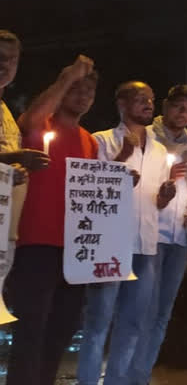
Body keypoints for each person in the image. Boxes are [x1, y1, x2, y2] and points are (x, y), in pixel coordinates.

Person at [78, 81, 179, 385]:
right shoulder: (103, 141)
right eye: (140, 99)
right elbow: (89, 188)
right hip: (110, 243)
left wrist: (166, 196)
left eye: (151, 98)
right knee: (98, 321)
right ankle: (87, 380)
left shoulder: (161, 150)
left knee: (134, 322)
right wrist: (121, 158)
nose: (149, 104)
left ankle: (117, 380)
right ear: (121, 104)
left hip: (146, 246)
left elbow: (157, 203)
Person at [6, 55, 98, 385]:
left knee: (62, 328)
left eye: (89, 91)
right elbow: (30, 119)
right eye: (76, 89)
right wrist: (68, 75)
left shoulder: (89, 141)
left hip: (75, 251)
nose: (83, 95)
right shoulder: (41, 126)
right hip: (36, 243)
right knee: (31, 328)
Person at [128, 84, 187, 384]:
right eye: (177, 107)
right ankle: (129, 373)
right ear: (165, 106)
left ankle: (142, 373)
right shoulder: (147, 138)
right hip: (150, 236)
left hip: (178, 237)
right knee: (142, 308)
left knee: (162, 312)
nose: (182, 114)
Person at [0, 30, 50, 275]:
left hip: (6, 228)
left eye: (12, 59)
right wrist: (14, 159)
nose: (5, 64)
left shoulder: (7, 112)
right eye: (0, 56)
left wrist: (15, 168)